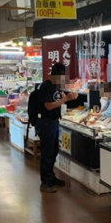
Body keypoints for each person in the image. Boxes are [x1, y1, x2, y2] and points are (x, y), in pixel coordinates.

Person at [37, 63, 77, 193]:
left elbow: (58, 101)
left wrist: (68, 97)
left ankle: (51, 177)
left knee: (54, 151)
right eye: (61, 76)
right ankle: (45, 182)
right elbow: (49, 106)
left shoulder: (56, 87)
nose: (63, 79)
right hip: (46, 123)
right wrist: (65, 99)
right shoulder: (45, 87)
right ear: (55, 75)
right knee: (47, 153)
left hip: (54, 122)